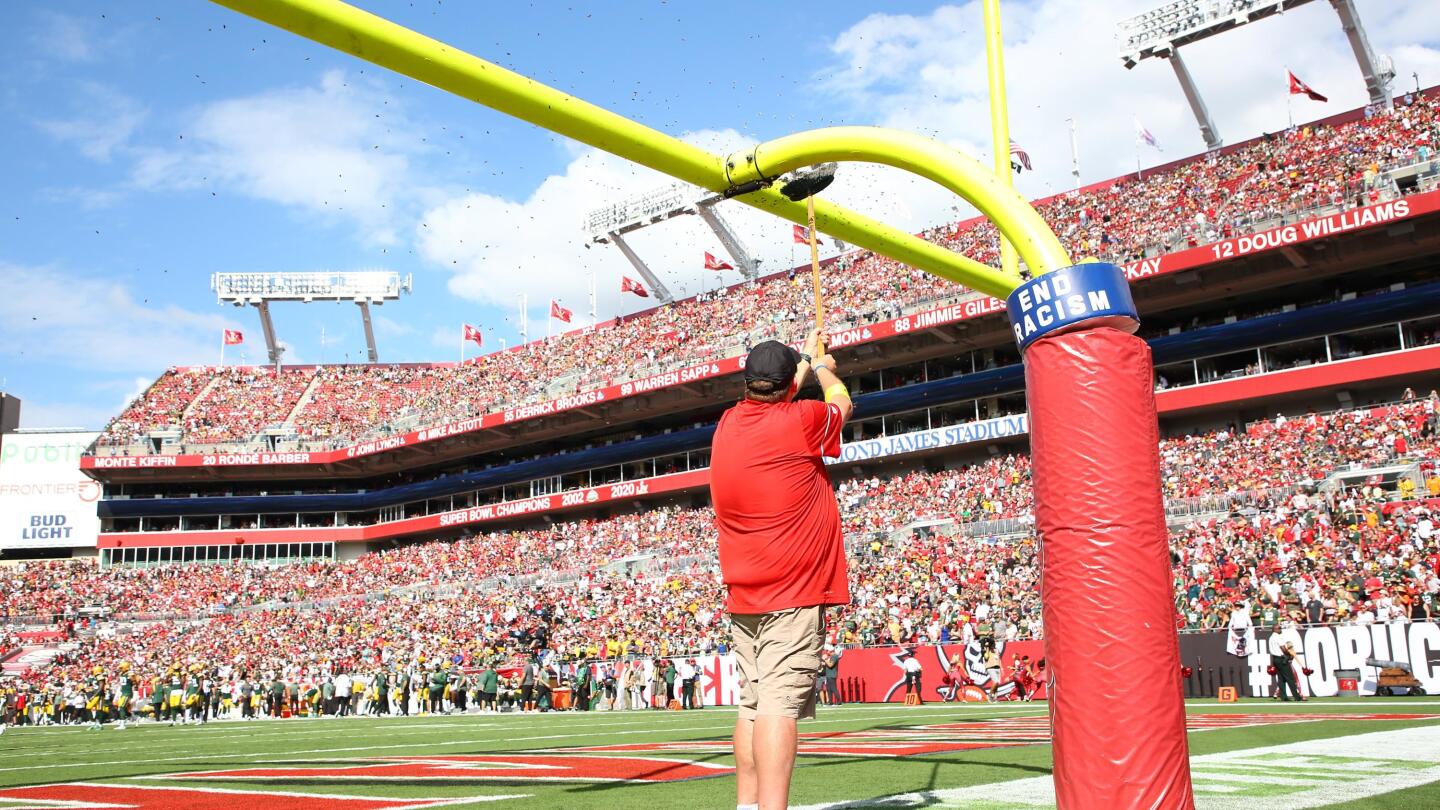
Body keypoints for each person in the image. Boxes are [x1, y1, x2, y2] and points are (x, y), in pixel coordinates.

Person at [711, 329, 853, 810]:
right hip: (791, 592)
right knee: (778, 707)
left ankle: (746, 806)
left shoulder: (728, 423)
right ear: (788, 388)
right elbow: (842, 403)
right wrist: (826, 368)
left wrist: (805, 361)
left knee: (751, 706)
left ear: (748, 384)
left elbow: (780, 388)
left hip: (744, 593)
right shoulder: (802, 419)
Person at [1267, 621, 1303, 701]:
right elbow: (1283, 648)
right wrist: (1289, 655)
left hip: (1275, 659)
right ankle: (1297, 697)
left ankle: (1283, 697)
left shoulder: (1271, 638)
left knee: (1281, 679)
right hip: (1281, 658)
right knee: (1290, 678)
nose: (1280, 629)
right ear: (1275, 629)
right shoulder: (1278, 637)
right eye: (1279, 628)